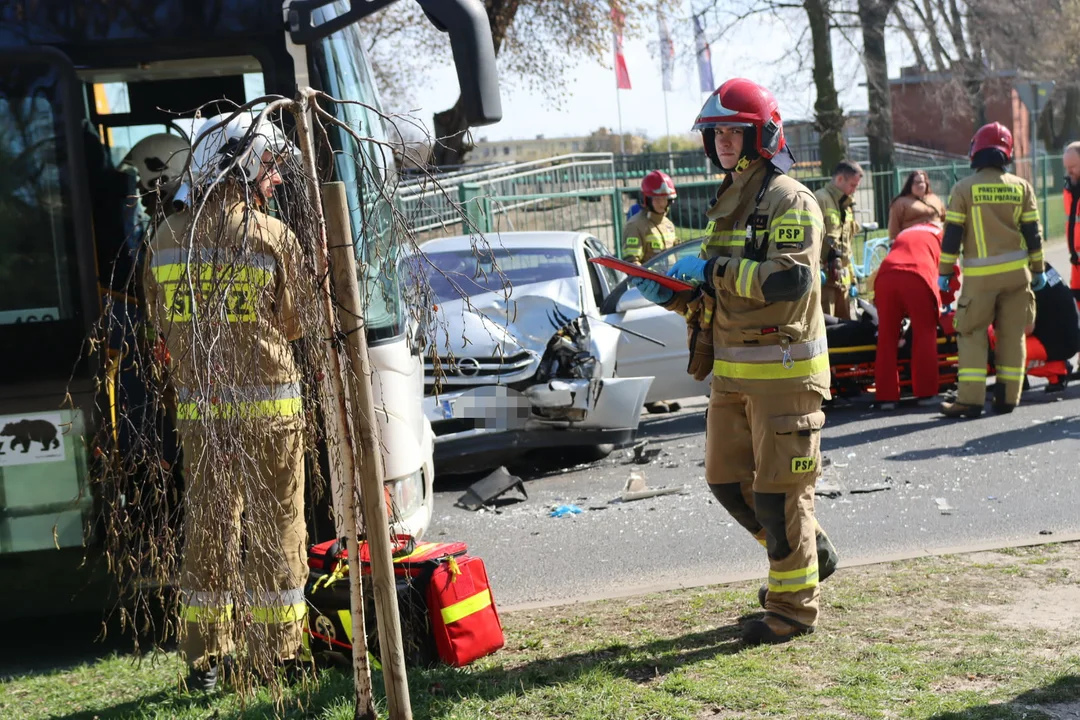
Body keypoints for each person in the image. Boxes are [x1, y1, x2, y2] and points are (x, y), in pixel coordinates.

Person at [631, 78, 837, 646]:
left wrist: (713, 271)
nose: (722, 141)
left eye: (734, 131)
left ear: (761, 135)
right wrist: (675, 293)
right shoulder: (730, 201)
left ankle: (793, 609)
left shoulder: (790, 199)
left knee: (779, 494)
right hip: (732, 373)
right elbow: (718, 295)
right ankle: (810, 552)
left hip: (785, 377)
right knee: (727, 483)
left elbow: (790, 281)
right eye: (716, 133)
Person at [144, 112, 308, 690]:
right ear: (244, 164)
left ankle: (205, 659)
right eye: (271, 166)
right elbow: (296, 324)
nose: (277, 179)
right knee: (278, 526)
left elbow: (159, 327)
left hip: (203, 417)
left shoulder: (165, 240)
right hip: (272, 416)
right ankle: (277, 654)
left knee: (210, 529)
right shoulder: (272, 237)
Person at [938, 122, 1043, 418]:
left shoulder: (964, 189)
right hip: (1018, 277)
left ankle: (970, 401)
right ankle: (1007, 398)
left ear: (976, 151)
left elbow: (952, 236)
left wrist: (945, 272)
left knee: (972, 332)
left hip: (980, 279)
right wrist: (1037, 270)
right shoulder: (1022, 187)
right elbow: (1034, 235)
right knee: (1012, 335)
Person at [872, 222, 955, 410]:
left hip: (885, 276)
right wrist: (944, 304)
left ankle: (886, 398)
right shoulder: (941, 236)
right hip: (918, 276)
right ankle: (926, 393)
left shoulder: (905, 233)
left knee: (886, 337)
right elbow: (949, 274)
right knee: (924, 334)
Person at [815, 160, 864, 320]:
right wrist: (816, 270)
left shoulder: (847, 205)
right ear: (840, 179)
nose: (854, 190)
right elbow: (810, 240)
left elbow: (846, 246)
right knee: (826, 326)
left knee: (845, 327)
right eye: (852, 185)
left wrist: (852, 279)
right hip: (824, 283)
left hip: (843, 281)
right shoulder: (820, 199)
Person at [622, 170, 678, 265]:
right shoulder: (635, 226)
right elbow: (631, 263)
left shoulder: (668, 225)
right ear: (647, 200)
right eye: (657, 199)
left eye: (665, 198)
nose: (662, 203)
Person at [887, 170, 946, 240]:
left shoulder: (935, 199)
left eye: (922, 182)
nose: (919, 185)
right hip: (913, 241)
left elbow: (945, 218)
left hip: (936, 239)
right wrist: (894, 241)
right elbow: (894, 226)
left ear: (926, 183)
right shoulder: (900, 203)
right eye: (916, 183)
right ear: (910, 185)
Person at [1062, 141, 1080, 306]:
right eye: (1066, 167)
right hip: (1076, 265)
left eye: (1073, 166)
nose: (1069, 171)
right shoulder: (1069, 189)